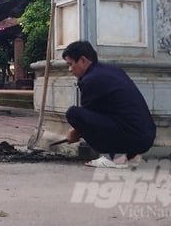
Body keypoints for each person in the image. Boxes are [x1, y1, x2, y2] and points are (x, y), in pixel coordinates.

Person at [62, 40, 156, 168]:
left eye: (70, 64)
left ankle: (113, 157)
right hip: (145, 137)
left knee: (73, 114)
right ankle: (127, 157)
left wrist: (75, 132)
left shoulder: (90, 80)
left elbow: (88, 118)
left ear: (83, 60)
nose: (69, 70)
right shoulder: (112, 70)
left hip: (133, 136)